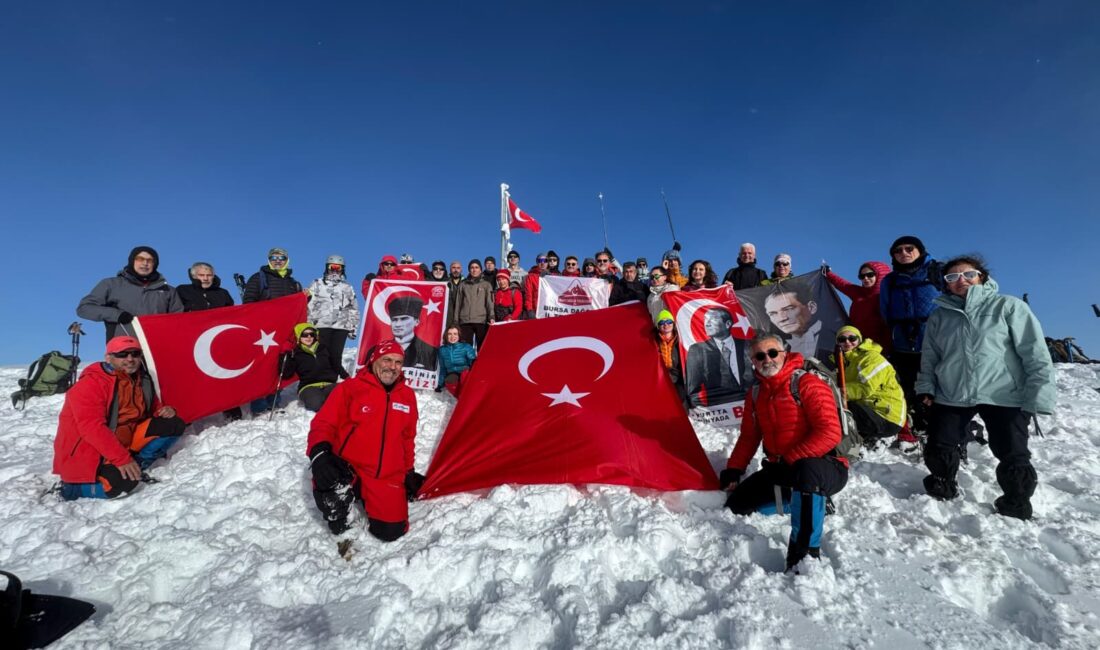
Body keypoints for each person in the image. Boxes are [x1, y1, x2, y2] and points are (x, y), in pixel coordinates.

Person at [916, 256, 1054, 520]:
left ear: (982, 276)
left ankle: (1016, 501)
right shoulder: (939, 316)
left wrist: (1039, 393)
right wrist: (926, 387)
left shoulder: (1008, 306)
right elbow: (930, 356)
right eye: (952, 277)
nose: (961, 281)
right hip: (952, 391)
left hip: (1003, 393)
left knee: (1012, 451)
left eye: (968, 274)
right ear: (945, 284)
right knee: (940, 443)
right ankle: (944, 483)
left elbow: (1034, 353)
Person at [721, 333, 848, 573]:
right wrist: (734, 469)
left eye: (772, 353)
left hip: (824, 467)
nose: (766, 359)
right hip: (783, 468)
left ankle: (804, 556)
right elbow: (749, 436)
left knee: (806, 471)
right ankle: (805, 502)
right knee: (737, 506)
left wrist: (791, 458)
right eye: (759, 356)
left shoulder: (807, 384)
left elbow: (830, 432)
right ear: (753, 361)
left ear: (784, 352)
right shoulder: (757, 393)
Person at [306, 340, 423, 541]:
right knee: (337, 508)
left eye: (398, 362)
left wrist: (408, 471)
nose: (392, 367)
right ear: (374, 360)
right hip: (348, 466)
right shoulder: (351, 388)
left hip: (384, 475)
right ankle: (344, 488)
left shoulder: (407, 396)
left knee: (390, 531)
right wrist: (320, 454)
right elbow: (324, 423)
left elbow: (407, 438)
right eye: (387, 360)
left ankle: (364, 492)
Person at [52, 336, 186, 499]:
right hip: (91, 449)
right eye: (122, 354)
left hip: (125, 440)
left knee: (173, 424)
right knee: (120, 485)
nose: (130, 359)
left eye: (135, 354)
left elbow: (153, 407)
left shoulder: (141, 378)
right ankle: (70, 489)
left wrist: (164, 411)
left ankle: (137, 467)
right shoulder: (92, 383)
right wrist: (122, 459)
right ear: (109, 358)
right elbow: (92, 428)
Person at [879, 236, 943, 431]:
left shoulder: (938, 271)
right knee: (909, 386)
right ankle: (918, 426)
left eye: (909, 248)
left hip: (937, 343)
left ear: (920, 250)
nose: (903, 253)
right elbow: (885, 310)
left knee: (940, 389)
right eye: (898, 251)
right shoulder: (890, 281)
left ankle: (946, 430)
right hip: (904, 344)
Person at [242, 247, 304, 413]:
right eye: (274, 258)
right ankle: (259, 405)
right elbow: (248, 302)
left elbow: (297, 308)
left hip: (284, 331)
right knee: (261, 366)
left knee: (280, 365)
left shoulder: (293, 283)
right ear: (269, 260)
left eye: (281, 258)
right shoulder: (258, 278)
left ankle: (274, 400)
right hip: (263, 331)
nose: (278, 261)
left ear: (287, 260)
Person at [177, 261, 241, 421]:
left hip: (219, 340)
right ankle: (191, 412)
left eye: (209, 275)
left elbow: (232, 314)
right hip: (192, 341)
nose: (205, 278)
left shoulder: (222, 293)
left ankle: (231, 409)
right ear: (193, 275)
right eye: (201, 275)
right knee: (193, 377)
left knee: (224, 373)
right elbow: (174, 313)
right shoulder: (182, 291)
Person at [77, 246, 183, 341]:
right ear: (132, 261)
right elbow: (84, 308)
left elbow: (179, 321)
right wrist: (116, 315)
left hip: (157, 348)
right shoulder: (111, 284)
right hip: (123, 351)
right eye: (140, 259)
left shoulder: (168, 291)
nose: (145, 263)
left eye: (150, 260)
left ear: (155, 264)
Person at [834, 326, 906, 445]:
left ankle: (846, 444)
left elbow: (863, 388)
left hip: (886, 416)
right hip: (868, 409)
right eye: (842, 339)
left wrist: (831, 393)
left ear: (860, 340)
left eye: (852, 338)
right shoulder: (844, 362)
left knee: (834, 408)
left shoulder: (872, 358)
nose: (847, 342)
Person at [307, 255, 360, 377]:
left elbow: (353, 308)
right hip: (321, 324)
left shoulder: (347, 287)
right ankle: (320, 379)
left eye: (338, 267)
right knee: (322, 353)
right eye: (332, 267)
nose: (335, 270)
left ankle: (335, 380)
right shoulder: (317, 283)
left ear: (342, 269)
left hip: (341, 326)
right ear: (327, 267)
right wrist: (309, 324)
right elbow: (310, 304)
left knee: (336, 355)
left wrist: (353, 328)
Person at [825, 261, 892, 357]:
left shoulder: (888, 297)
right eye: (862, 276)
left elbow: (889, 328)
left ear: (881, 275)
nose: (865, 278)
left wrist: (885, 351)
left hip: (879, 350)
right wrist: (828, 273)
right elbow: (842, 284)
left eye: (870, 275)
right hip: (856, 345)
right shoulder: (858, 293)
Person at [685, 307, 748, 406]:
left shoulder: (747, 345)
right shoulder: (697, 350)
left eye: (713, 319)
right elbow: (693, 388)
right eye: (705, 319)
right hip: (719, 410)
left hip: (750, 403)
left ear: (727, 324)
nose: (707, 323)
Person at [282, 324, 349, 412]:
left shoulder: (324, 348)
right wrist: (285, 355)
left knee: (346, 395)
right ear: (299, 336)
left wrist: (347, 377)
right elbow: (286, 373)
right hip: (308, 387)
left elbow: (335, 364)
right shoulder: (296, 354)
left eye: (311, 334)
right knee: (315, 403)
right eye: (305, 335)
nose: (309, 337)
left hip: (329, 385)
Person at [764, 283, 833, 360]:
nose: (781, 318)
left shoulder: (837, 338)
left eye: (788, 309)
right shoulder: (777, 346)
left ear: (811, 307)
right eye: (773, 313)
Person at [387, 295, 437, 370]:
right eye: (394, 320)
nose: (398, 324)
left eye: (404, 319)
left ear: (416, 322)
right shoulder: (380, 350)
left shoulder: (430, 352)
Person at [454, 259, 494, 346]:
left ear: (480, 269)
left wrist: (491, 316)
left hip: (480, 320)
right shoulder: (463, 284)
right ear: (469, 270)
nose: (474, 270)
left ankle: (481, 360)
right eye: (472, 268)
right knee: (466, 348)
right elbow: (458, 303)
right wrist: (456, 320)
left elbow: (489, 303)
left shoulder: (486, 285)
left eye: (476, 267)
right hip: (465, 321)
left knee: (482, 347)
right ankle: (468, 360)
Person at [654, 310, 686, 404]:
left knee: (681, 399)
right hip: (660, 378)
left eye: (669, 322)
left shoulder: (680, 339)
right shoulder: (653, 340)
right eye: (662, 322)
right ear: (658, 326)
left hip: (678, 377)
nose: (666, 325)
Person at [436, 326, 477, 396]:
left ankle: (467, 395)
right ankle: (459, 397)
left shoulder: (466, 346)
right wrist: (440, 384)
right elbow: (443, 368)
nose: (452, 336)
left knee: (465, 375)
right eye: (450, 334)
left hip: (465, 372)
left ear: (459, 335)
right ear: (446, 335)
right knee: (449, 380)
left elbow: (473, 362)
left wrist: (473, 361)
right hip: (453, 373)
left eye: (455, 334)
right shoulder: (442, 350)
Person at [523, 253, 550, 319]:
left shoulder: (552, 277)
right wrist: (530, 310)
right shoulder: (530, 277)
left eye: (545, 261)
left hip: (549, 310)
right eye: (540, 261)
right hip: (536, 310)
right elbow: (528, 295)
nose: (542, 263)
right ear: (537, 263)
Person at [445, 260, 464, 327]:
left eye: (458, 268)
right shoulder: (445, 282)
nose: (456, 270)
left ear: (461, 270)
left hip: (462, 316)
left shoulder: (466, 282)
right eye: (454, 268)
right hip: (448, 316)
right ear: (450, 269)